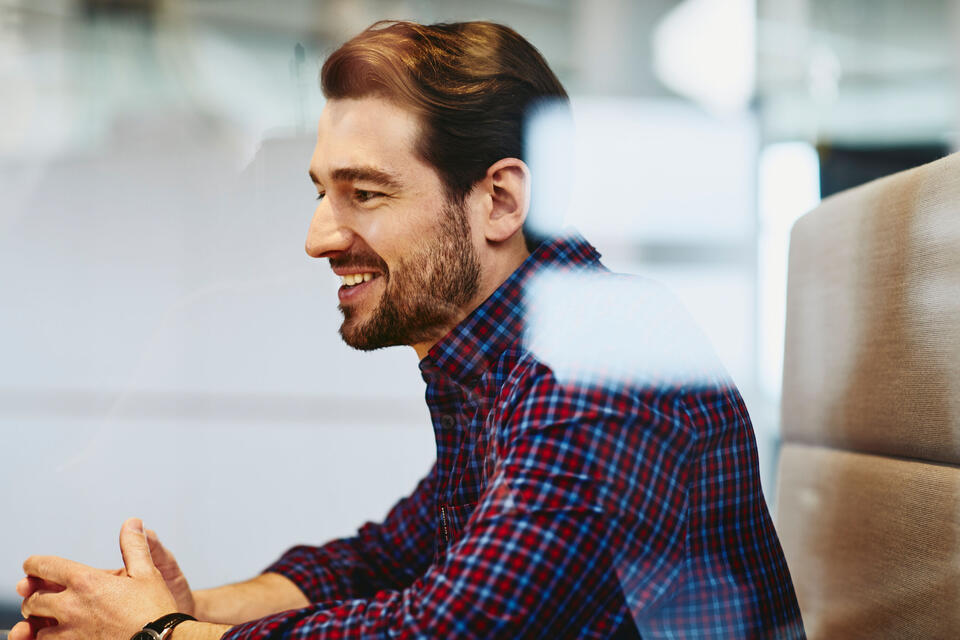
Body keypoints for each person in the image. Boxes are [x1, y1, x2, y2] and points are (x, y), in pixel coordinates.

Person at [13, 20, 805, 640]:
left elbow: (447, 630)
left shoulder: (597, 362)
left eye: (364, 193)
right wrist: (187, 610)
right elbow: (384, 560)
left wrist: (157, 634)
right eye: (322, 192)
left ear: (499, 201)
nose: (317, 238)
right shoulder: (505, 363)